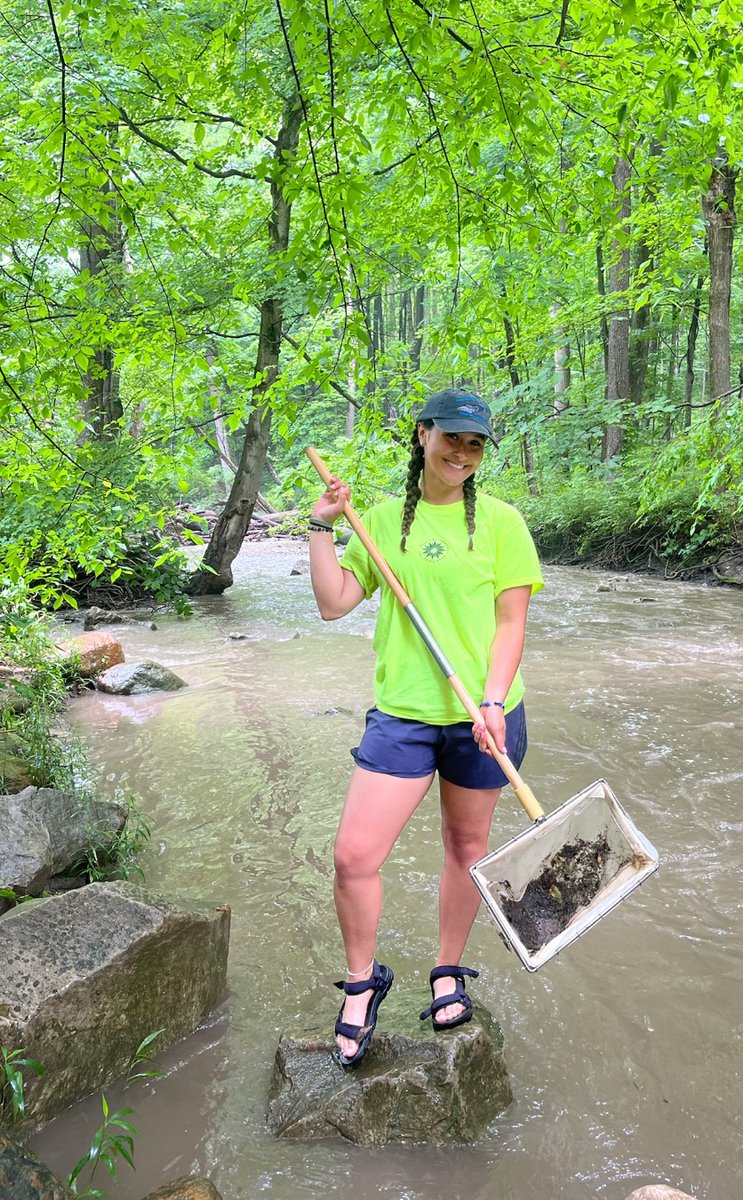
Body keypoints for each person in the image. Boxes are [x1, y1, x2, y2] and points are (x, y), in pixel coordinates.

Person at [308, 389, 543, 1066]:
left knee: (466, 847)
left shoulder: (502, 523)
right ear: (423, 435)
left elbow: (511, 623)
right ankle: (362, 982)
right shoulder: (382, 520)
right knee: (354, 856)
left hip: (485, 715)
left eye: (475, 444)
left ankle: (447, 970)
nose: (461, 454)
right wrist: (322, 526)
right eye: (451, 438)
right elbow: (333, 603)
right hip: (404, 714)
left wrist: (492, 700)